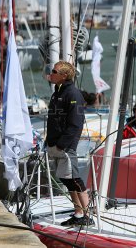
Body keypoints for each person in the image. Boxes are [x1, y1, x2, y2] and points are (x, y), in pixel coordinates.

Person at [46, 61, 94, 226]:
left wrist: (62, 144)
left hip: (65, 145)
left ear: (64, 75)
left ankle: (87, 214)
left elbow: (75, 123)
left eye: (54, 71)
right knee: (66, 179)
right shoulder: (58, 92)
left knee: (74, 179)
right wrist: (50, 142)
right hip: (55, 143)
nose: (50, 73)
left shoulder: (73, 94)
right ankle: (78, 213)